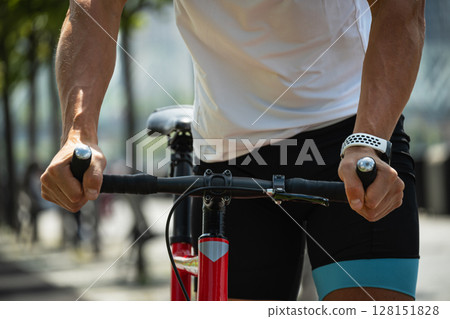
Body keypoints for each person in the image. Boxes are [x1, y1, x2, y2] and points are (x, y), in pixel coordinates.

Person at [41, 0, 425, 301]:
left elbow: (401, 7)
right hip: (228, 160)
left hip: (351, 137)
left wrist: (369, 139)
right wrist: (78, 134)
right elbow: (93, 7)